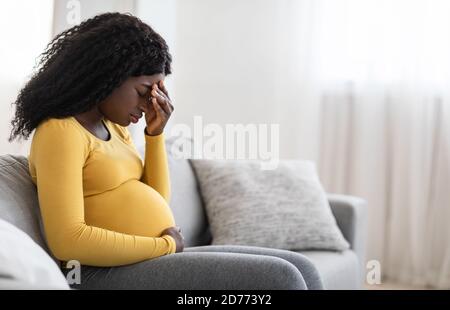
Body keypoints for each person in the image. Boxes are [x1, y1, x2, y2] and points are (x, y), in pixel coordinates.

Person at [9, 12, 321, 289]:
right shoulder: (60, 132)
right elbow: (68, 242)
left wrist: (155, 134)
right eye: (144, 92)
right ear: (106, 77)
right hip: (95, 274)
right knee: (282, 279)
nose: (149, 105)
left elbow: (158, 199)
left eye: (158, 92)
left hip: (148, 258)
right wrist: (164, 246)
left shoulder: (115, 126)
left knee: (303, 268)